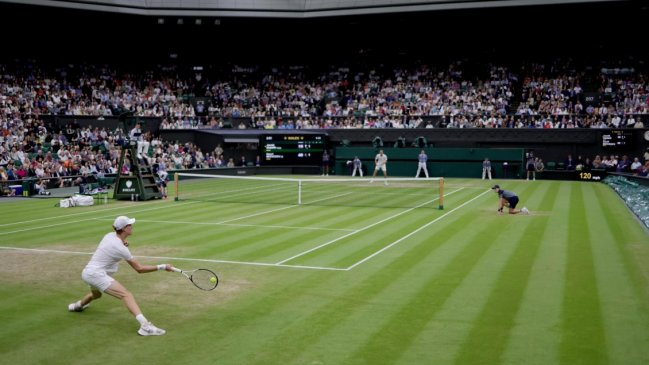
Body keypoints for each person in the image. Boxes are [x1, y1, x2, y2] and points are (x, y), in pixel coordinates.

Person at [68, 216, 172, 336]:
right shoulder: (120, 248)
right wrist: (162, 266)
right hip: (96, 274)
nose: (132, 227)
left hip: (87, 273)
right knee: (126, 295)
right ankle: (145, 327)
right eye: (129, 225)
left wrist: (124, 242)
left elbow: (116, 242)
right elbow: (139, 269)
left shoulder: (109, 236)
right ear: (123, 228)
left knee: (96, 295)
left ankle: (77, 306)